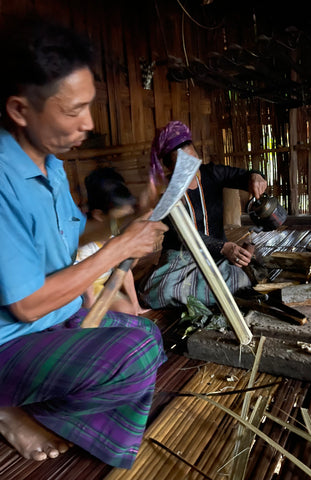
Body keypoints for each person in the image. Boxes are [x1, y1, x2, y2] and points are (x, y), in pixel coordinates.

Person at [0, 18, 168, 469]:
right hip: (11, 340)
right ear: (20, 110)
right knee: (134, 356)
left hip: (56, 322)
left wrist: (135, 219)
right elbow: (27, 306)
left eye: (90, 107)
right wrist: (119, 249)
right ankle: (8, 408)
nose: (89, 124)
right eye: (74, 111)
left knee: (149, 335)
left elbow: (76, 238)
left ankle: (38, 397)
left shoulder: (51, 165)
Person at [138, 120, 268, 309]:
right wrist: (224, 247)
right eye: (182, 166)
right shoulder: (167, 193)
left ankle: (202, 288)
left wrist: (255, 176)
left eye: (193, 160)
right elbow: (185, 236)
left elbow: (245, 176)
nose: (191, 169)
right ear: (169, 167)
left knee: (242, 281)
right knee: (158, 293)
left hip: (217, 255)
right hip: (181, 257)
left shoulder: (212, 173)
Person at [77, 166, 148, 315]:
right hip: (80, 295)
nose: (122, 224)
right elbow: (85, 284)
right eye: (119, 219)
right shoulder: (85, 244)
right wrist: (89, 313)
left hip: (101, 288)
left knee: (128, 310)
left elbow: (124, 269)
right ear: (98, 215)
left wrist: (136, 307)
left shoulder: (111, 233)